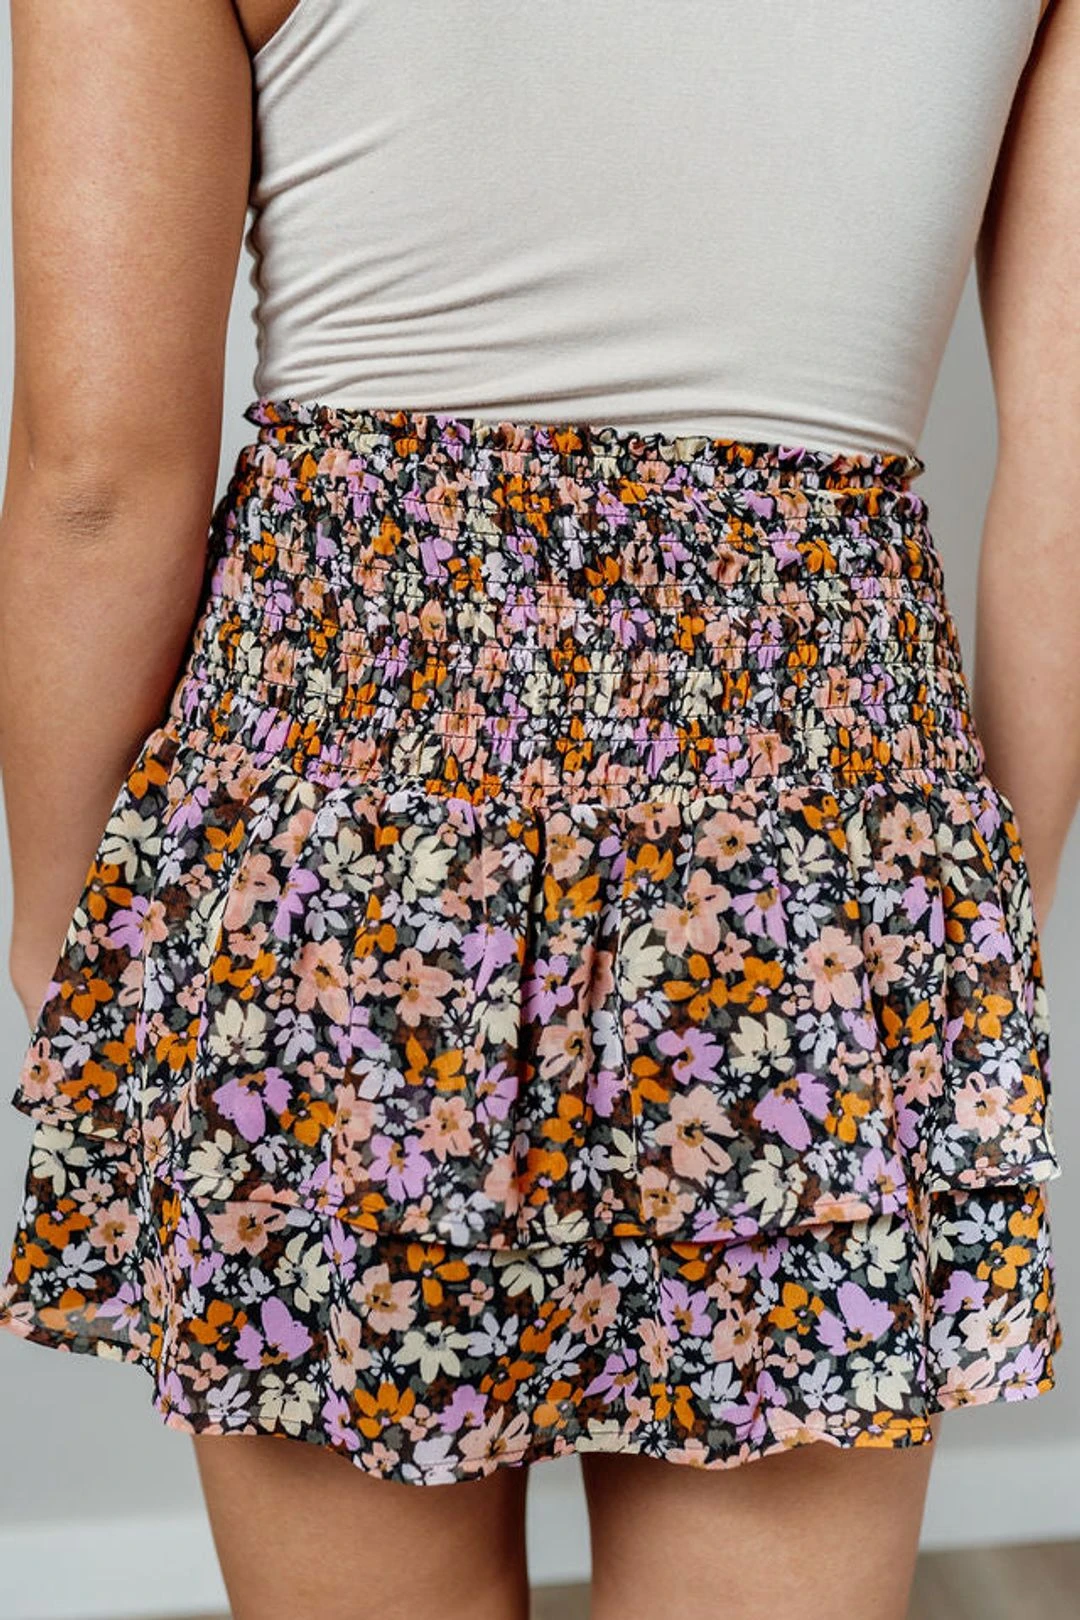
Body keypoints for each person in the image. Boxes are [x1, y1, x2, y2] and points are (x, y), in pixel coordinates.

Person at [0, 2, 1075, 1617]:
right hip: (811, 814)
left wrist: (67, 924)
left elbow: (98, 482)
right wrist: (975, 923)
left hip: (350, 828)